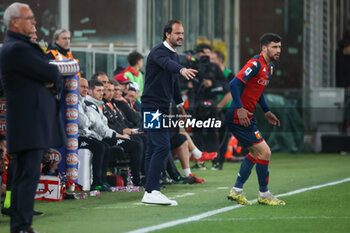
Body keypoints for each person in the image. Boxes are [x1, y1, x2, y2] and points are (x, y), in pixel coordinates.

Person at [0, 2, 65, 232]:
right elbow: (51, 72)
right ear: (15, 21)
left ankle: (20, 225)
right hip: (28, 121)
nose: (34, 22)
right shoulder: (17, 48)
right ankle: (22, 225)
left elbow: (47, 75)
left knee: (24, 175)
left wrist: (48, 78)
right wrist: (50, 77)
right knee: (27, 176)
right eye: (29, 19)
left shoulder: (19, 46)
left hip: (27, 120)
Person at [141, 19, 197, 206]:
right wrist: (181, 69)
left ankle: (149, 189)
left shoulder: (174, 55)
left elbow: (173, 83)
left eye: (182, 33)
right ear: (167, 34)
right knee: (162, 146)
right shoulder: (159, 52)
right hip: (152, 106)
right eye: (177, 33)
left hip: (162, 107)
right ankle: (152, 190)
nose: (181, 36)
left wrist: (180, 105)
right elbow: (167, 66)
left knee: (152, 148)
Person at [226, 33, 285, 206]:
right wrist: (239, 108)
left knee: (255, 153)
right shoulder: (255, 64)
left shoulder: (270, 68)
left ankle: (236, 191)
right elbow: (234, 84)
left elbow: (257, 91)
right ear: (264, 48)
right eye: (274, 47)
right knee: (265, 152)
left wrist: (266, 111)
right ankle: (264, 194)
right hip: (239, 116)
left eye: (280, 47)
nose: (278, 50)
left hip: (248, 116)